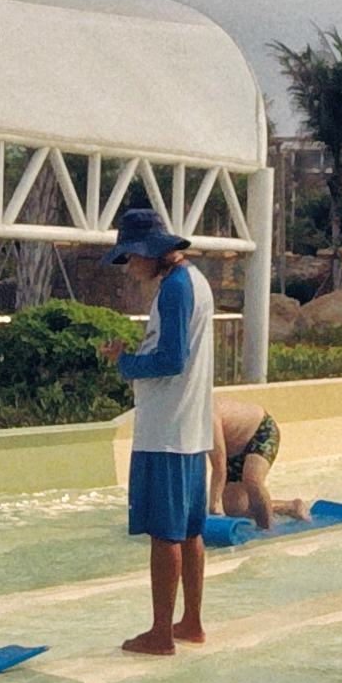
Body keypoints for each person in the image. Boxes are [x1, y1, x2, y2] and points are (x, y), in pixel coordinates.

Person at [97, 206, 218, 655]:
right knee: (189, 531)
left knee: (164, 533)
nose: (129, 268)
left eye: (131, 259)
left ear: (150, 253)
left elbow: (171, 360)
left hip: (165, 430)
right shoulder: (195, 283)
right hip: (189, 428)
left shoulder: (173, 290)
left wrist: (124, 363)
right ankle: (191, 622)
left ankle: (160, 632)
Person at [218, 397, 308, 531]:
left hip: (260, 432)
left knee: (252, 480)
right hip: (233, 448)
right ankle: (290, 507)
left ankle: (266, 530)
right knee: (235, 509)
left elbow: (218, 465)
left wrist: (213, 506)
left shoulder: (209, 416)